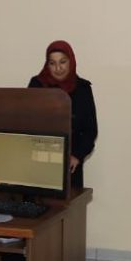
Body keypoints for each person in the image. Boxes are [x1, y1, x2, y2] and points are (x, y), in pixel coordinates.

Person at [27, 40, 98, 188]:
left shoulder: (83, 89)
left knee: (71, 202)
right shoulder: (37, 85)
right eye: (52, 63)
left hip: (70, 166)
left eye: (63, 62)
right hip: (38, 163)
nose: (58, 68)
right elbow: (26, 122)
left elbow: (90, 130)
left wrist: (77, 156)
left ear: (71, 61)